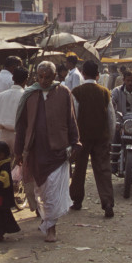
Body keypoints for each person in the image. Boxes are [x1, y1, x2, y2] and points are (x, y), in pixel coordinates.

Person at [12, 61, 81, 242]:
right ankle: (47, 219)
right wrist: (18, 152)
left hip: (57, 152)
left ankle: (51, 228)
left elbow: (71, 120)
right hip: (35, 152)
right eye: (40, 77)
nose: (44, 80)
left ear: (55, 77)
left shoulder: (64, 93)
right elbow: (21, 126)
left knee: (52, 191)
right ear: (36, 77)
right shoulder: (29, 95)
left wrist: (76, 143)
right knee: (40, 191)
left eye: (48, 77)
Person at [70, 60, 116, 218]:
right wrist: (110, 138)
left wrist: (73, 139)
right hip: (101, 137)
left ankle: (76, 200)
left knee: (79, 170)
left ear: (83, 73)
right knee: (103, 170)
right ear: (97, 75)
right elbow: (111, 118)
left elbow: (73, 116)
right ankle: (108, 202)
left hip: (82, 138)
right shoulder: (105, 92)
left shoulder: (76, 92)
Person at [0, 67, 38, 215]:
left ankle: (2, 201)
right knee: (27, 169)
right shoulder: (27, 96)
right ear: (26, 80)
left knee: (3, 169)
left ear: (13, 79)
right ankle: (34, 204)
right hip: (20, 136)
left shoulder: (1, 96)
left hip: (3, 134)